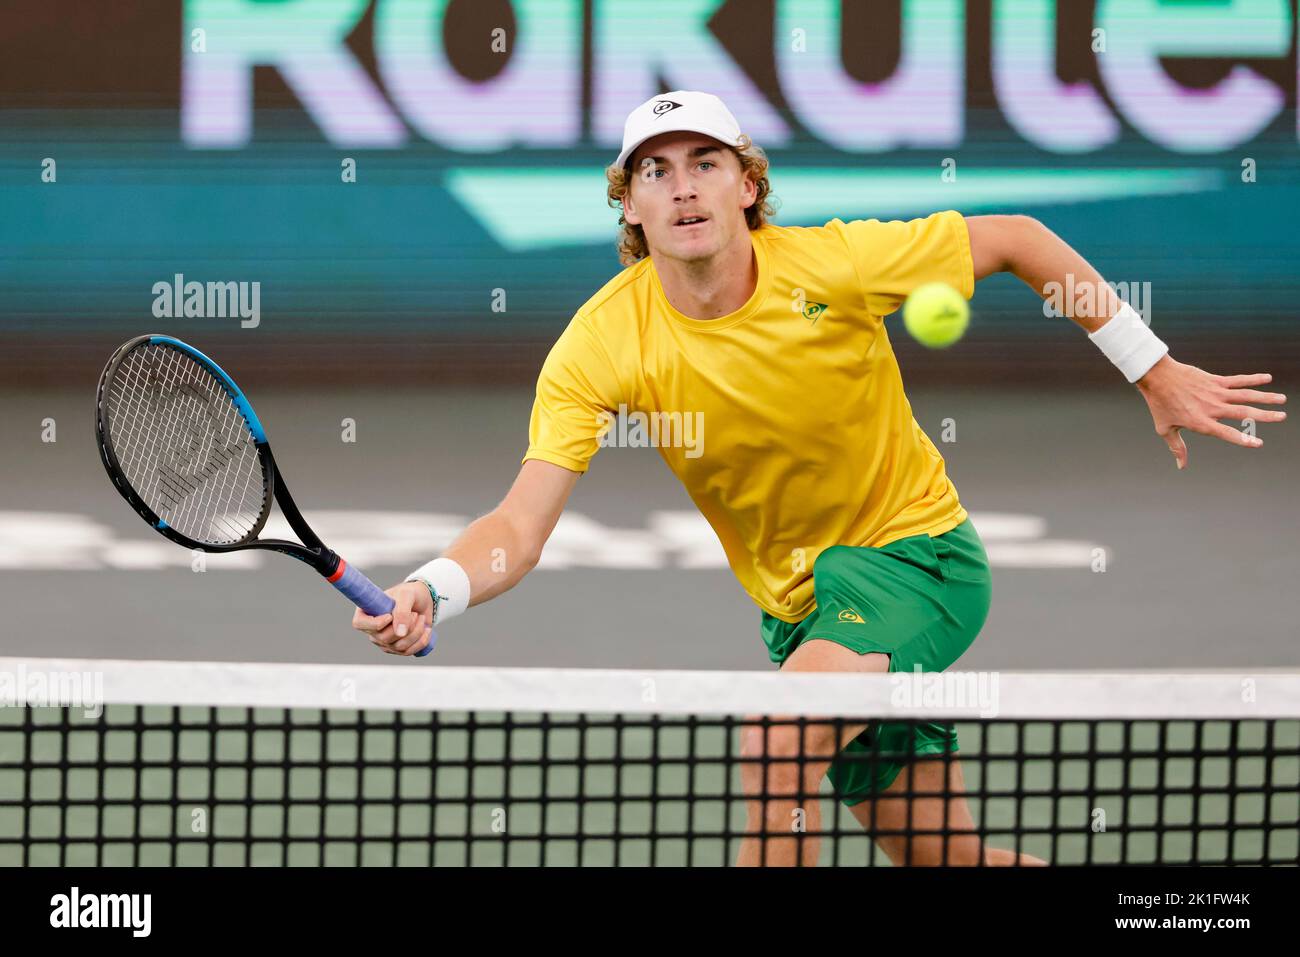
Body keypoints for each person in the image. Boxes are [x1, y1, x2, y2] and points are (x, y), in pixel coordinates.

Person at [352, 90, 1286, 866]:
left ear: (747, 185)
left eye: (705, 163)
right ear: (629, 207)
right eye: (655, 170)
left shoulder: (835, 264)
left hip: (917, 558)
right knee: (945, 861)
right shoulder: (600, 344)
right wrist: (436, 586)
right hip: (804, 607)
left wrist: (1152, 367)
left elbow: (1016, 239)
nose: (683, 188)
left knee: (778, 732)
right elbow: (522, 522)